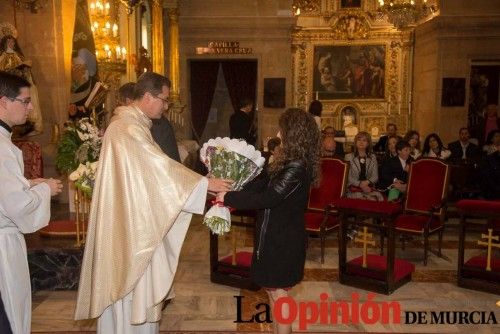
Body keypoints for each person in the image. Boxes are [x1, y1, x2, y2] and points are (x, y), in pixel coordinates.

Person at [75, 72, 232, 333]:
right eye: (164, 99)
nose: (166, 106)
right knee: (131, 288)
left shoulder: (132, 125)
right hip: (132, 229)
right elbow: (159, 169)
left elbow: (160, 168)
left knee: (136, 292)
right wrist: (205, 185)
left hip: (135, 217)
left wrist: (202, 180)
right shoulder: (128, 129)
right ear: (147, 97)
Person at [217, 108, 321, 334]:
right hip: (274, 237)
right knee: (274, 294)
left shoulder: (296, 167)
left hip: (283, 241)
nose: (278, 134)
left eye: (282, 129)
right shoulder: (287, 162)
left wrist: (229, 197)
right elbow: (261, 185)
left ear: (293, 133)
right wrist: (235, 185)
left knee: (279, 295)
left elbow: (269, 198)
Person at [0, 71, 63, 334]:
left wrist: (29, 185)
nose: (31, 107)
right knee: (12, 313)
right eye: (25, 101)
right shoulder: (2, 147)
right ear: (3, 102)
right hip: (3, 246)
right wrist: (45, 189)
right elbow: (17, 206)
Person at [119, 82, 180, 162]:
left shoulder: (155, 121)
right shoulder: (138, 120)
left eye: (120, 104)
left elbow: (163, 160)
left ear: (128, 101)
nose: (166, 107)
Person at [0, 34, 43, 135]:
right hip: (10, 88)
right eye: (10, 41)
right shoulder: (2, 57)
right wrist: (14, 70)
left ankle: (26, 128)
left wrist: (24, 68)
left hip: (19, 86)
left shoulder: (17, 55)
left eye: (13, 42)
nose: (12, 44)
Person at [345, 131, 383, 201]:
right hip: (353, 188)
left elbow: (375, 177)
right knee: (364, 198)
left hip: (368, 188)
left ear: (368, 143)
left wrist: (366, 183)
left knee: (377, 199)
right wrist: (360, 184)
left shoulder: (372, 157)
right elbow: (348, 177)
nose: (361, 142)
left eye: (364, 140)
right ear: (355, 142)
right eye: (359, 140)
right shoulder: (348, 157)